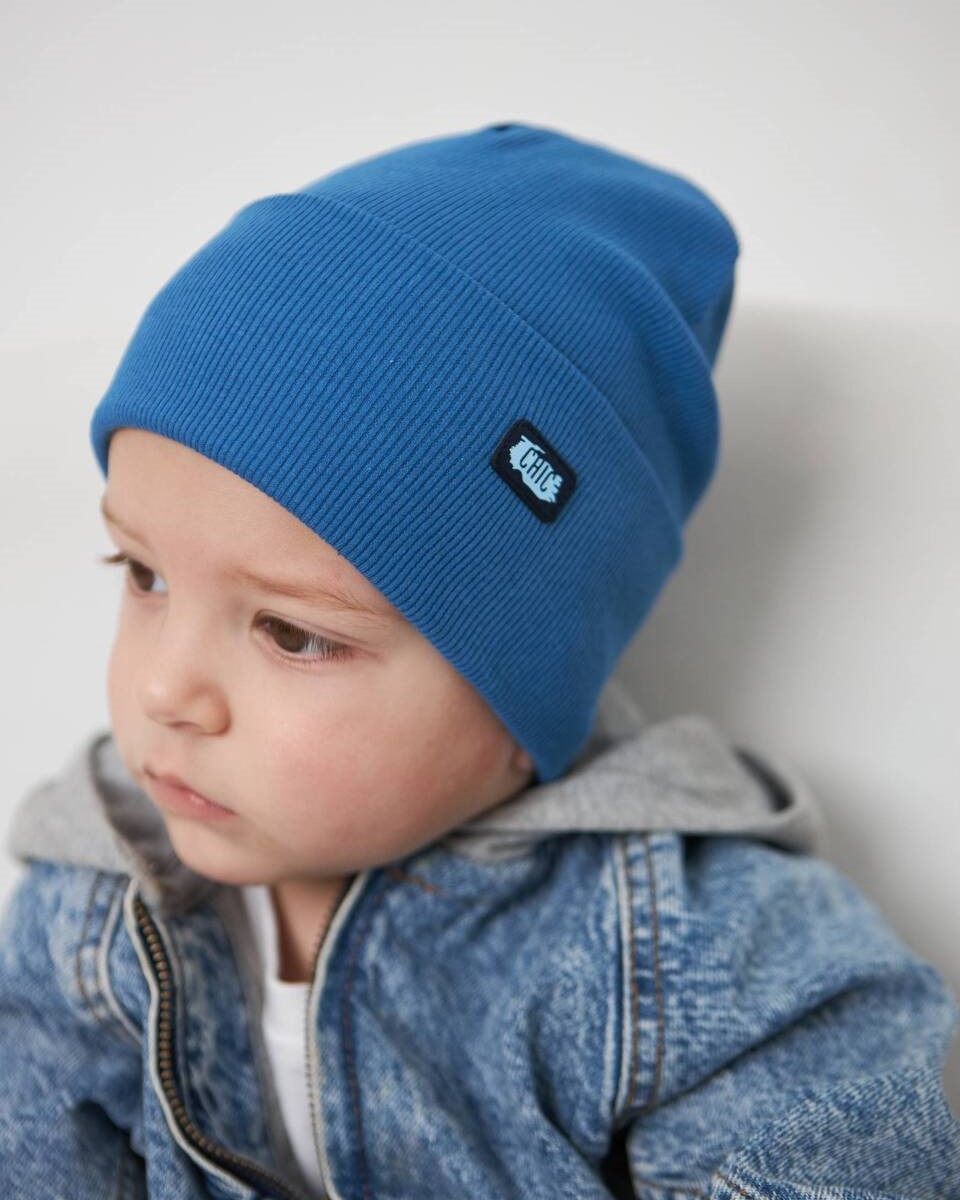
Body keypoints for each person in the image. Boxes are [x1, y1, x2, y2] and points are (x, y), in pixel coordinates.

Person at [2, 121, 958, 1200]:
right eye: (143, 574)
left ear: (525, 691)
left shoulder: (698, 956)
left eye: (292, 632)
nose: (163, 690)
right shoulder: (91, 904)